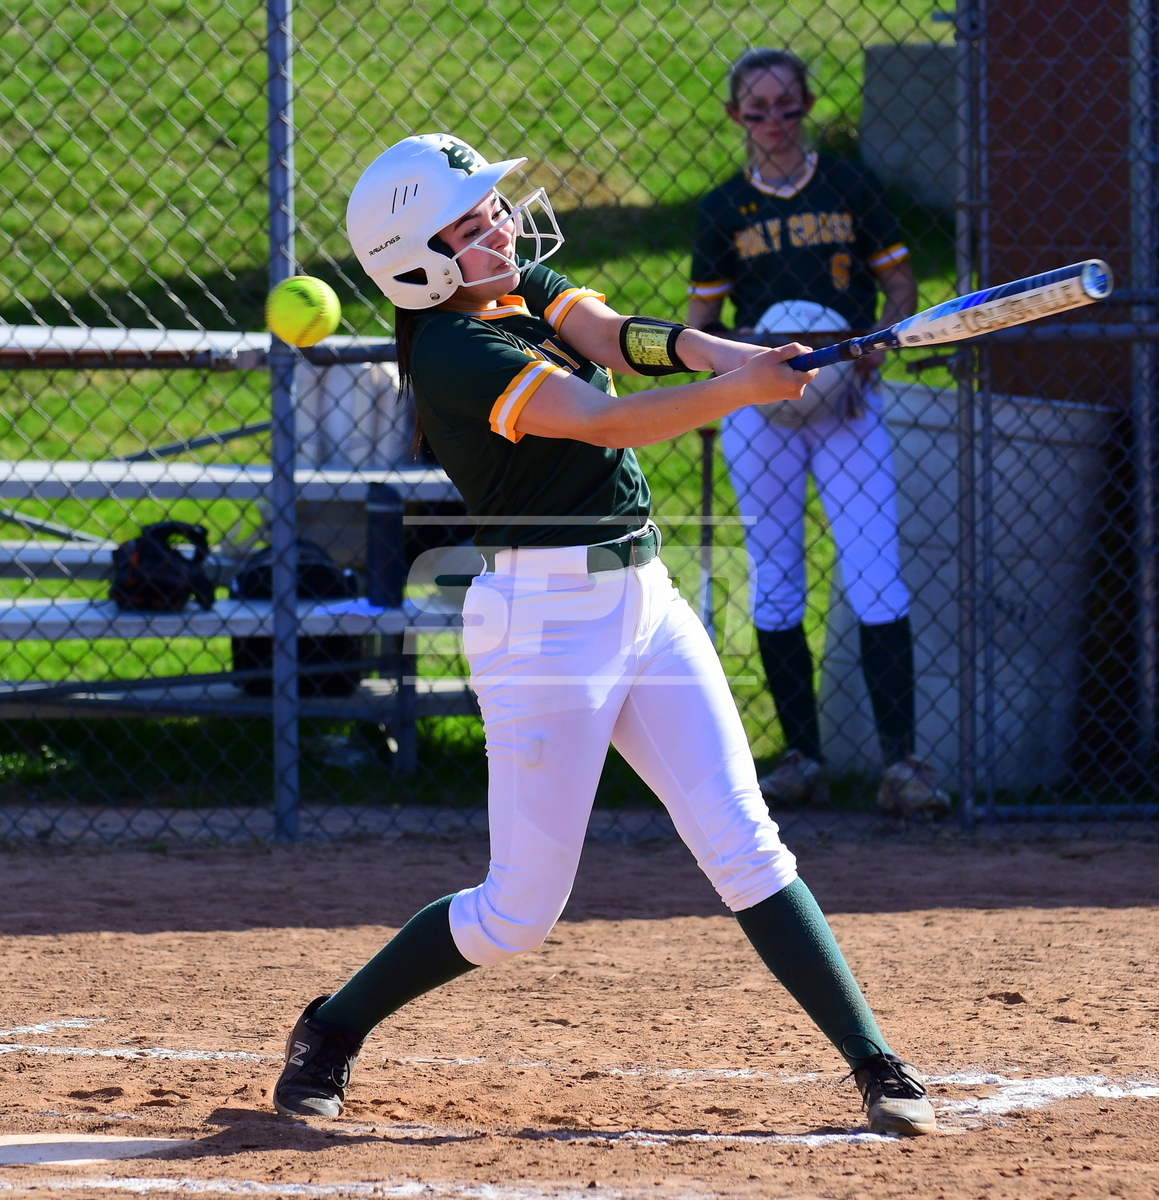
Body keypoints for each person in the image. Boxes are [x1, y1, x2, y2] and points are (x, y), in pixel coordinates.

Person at [270, 132, 937, 1137]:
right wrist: (738, 392)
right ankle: (333, 1025)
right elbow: (602, 419)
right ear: (418, 262)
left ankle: (874, 1062)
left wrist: (729, 354)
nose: (500, 228)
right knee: (517, 912)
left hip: (644, 600)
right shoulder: (453, 352)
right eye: (470, 224)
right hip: (541, 629)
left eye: (492, 209)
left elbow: (619, 336)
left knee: (745, 844)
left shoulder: (511, 288)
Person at [687, 48, 950, 817]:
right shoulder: (722, 208)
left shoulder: (848, 185)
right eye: (755, 108)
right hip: (760, 412)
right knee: (775, 574)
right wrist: (722, 378)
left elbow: (898, 280)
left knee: (874, 572)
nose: (772, 120)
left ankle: (901, 766)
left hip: (846, 404)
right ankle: (802, 758)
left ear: (805, 105)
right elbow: (700, 320)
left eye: (785, 104)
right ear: (735, 116)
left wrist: (876, 344)